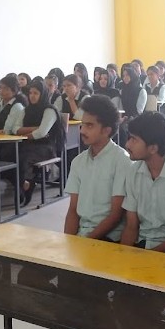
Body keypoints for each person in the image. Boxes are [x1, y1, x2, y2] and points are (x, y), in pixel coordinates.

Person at [64, 96, 129, 241]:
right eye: (82, 125)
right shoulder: (78, 162)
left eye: (89, 126)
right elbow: (73, 210)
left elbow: (116, 215)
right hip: (82, 235)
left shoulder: (122, 161)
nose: (82, 130)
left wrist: (85, 242)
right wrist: (68, 242)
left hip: (108, 238)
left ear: (106, 130)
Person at [120, 112, 165, 252]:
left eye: (134, 139)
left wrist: (149, 256)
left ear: (153, 148)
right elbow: (131, 225)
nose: (127, 144)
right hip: (142, 244)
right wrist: (124, 255)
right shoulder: (133, 171)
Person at [15, 79, 65, 207]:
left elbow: (42, 133)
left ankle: (26, 184)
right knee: (10, 155)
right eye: (30, 93)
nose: (32, 96)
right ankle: (24, 183)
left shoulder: (50, 110)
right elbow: (15, 129)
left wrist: (24, 135)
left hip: (46, 147)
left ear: (42, 94)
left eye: (36, 93)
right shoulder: (26, 110)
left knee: (23, 157)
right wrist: (33, 129)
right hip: (28, 144)